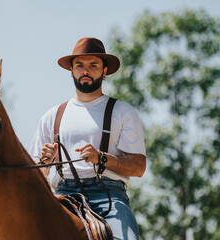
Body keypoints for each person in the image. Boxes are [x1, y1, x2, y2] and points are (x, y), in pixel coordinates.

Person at [29, 37, 146, 240]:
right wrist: (44, 162)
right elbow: (34, 176)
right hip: (62, 192)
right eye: (79, 65)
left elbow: (138, 167)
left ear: (104, 71)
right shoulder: (51, 116)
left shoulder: (123, 112)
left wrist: (101, 158)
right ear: (72, 70)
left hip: (109, 195)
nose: (85, 71)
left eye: (93, 65)